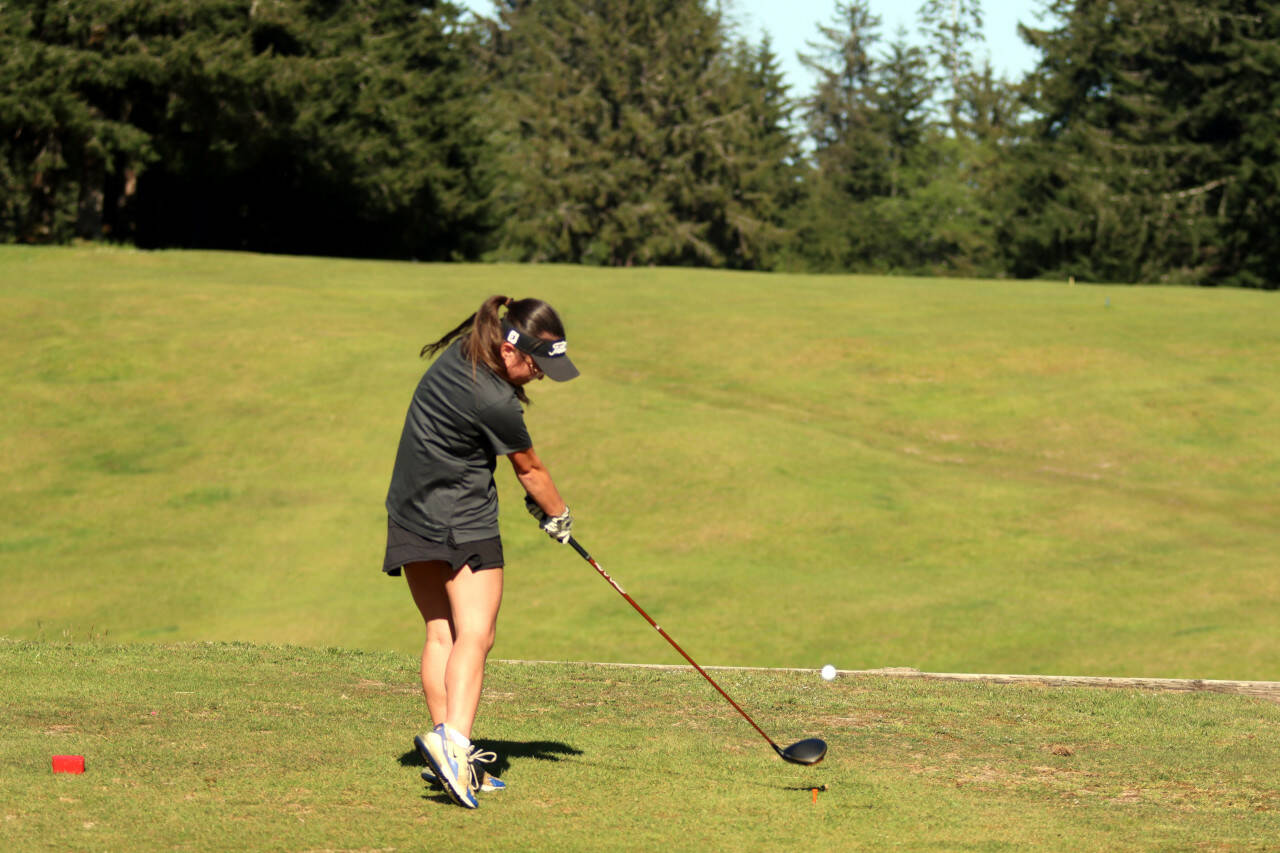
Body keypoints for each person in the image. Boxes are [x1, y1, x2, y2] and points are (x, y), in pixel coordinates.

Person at [383, 294, 579, 809]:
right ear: (512, 348)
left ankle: (450, 759)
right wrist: (557, 515)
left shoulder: (465, 352)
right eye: (539, 364)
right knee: (476, 633)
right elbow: (530, 470)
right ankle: (454, 746)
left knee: (440, 632)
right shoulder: (495, 398)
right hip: (461, 519)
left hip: (408, 511)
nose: (540, 375)